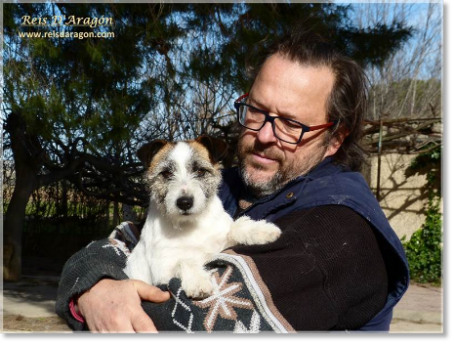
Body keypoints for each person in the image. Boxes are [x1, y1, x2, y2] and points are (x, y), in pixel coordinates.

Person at [56, 28, 409, 333]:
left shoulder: (339, 234)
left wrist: (103, 298)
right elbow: (127, 242)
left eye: (291, 124)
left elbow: (183, 321)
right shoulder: (227, 188)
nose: (265, 135)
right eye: (257, 110)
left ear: (335, 139)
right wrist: (96, 287)